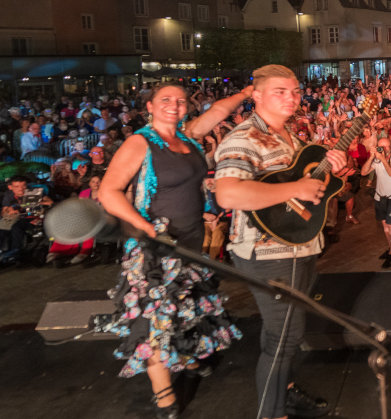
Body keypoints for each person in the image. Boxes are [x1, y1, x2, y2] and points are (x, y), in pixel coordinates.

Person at [98, 82, 249, 419]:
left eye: (180, 101)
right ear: (149, 107)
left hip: (191, 240)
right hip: (156, 247)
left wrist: (247, 92)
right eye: (165, 99)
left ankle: (184, 356)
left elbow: (219, 112)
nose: (174, 105)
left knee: (185, 305)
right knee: (154, 317)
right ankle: (164, 394)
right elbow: (108, 192)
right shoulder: (140, 143)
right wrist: (147, 227)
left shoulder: (189, 137)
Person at [213, 65, 348, 419]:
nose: (292, 97)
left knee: (283, 332)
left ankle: (283, 390)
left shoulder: (292, 138)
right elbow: (227, 194)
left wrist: (337, 169)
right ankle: (272, 412)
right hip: (266, 252)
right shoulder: (243, 139)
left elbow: (313, 188)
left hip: (300, 245)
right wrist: (296, 188)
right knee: (285, 338)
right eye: (280, 91)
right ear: (255, 95)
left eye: (295, 91)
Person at [0, 175, 52, 265]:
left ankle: (15, 250)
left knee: (16, 227)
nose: (21, 189)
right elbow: (3, 213)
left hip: (30, 217)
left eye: (23, 185)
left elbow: (50, 202)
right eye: (17, 187)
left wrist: (37, 202)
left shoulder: (33, 192)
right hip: (14, 217)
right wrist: (8, 210)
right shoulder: (9, 195)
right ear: (10, 187)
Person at [360, 136, 391, 269]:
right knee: (385, 227)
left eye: (386, 146)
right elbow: (363, 172)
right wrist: (371, 157)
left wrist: (383, 160)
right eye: (381, 147)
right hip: (380, 196)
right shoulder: (376, 159)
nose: (384, 149)